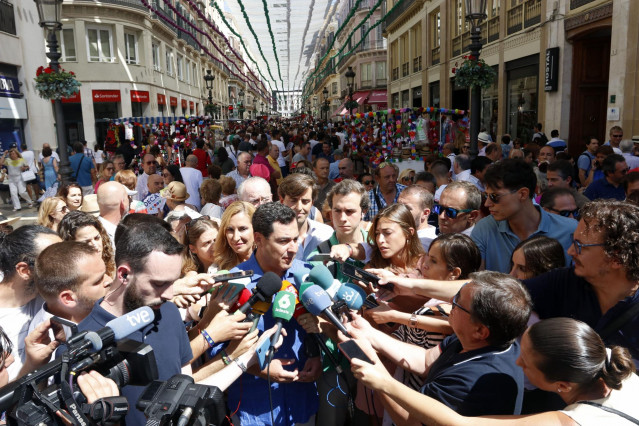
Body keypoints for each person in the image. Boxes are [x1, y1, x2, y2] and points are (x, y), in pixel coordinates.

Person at [351, 317, 639, 426]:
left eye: (526, 362)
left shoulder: (570, 422)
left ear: (562, 385)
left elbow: (461, 424)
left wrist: (383, 382)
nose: (516, 363)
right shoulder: (613, 365)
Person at [348, 271, 531, 421]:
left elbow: (412, 422)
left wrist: (374, 368)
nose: (451, 303)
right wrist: (369, 334)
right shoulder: (484, 340)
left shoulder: (471, 383)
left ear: (481, 331)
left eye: (458, 303)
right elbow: (427, 360)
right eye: (456, 296)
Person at [77, 222, 192, 425]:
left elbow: (185, 376)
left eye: (173, 282)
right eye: (158, 284)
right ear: (123, 274)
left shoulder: (169, 312)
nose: (169, 294)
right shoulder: (85, 342)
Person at [229, 202, 320, 425]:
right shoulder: (234, 283)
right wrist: (259, 368)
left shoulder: (305, 275)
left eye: (295, 239)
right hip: (254, 406)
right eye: (283, 241)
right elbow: (217, 350)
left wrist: (318, 356)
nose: (293, 248)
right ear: (258, 239)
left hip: (302, 400)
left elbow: (318, 331)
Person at [523, 200, 639, 366]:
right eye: (572, 241)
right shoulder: (564, 282)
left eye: (580, 246)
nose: (570, 251)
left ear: (617, 257)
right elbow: (506, 293)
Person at [471, 159, 576, 272]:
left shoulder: (570, 231)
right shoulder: (484, 229)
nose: (487, 204)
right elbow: (474, 281)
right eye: (486, 196)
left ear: (522, 194)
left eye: (494, 196)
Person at [0, 225, 61, 380]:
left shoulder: (49, 297)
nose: (67, 266)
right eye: (56, 261)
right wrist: (32, 366)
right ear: (25, 270)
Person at [31, 241, 111, 332]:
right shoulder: (53, 342)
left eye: (105, 273)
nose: (109, 281)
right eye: (98, 281)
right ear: (68, 298)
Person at [278, 173, 333, 261]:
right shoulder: (272, 237)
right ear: (282, 201)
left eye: (305, 201)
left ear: (312, 203)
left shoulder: (326, 234)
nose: (299, 207)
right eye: (293, 200)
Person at [58, 210, 116, 278]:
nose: (95, 245)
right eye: (86, 242)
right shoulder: (67, 277)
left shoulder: (112, 265)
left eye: (97, 238)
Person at [213, 201, 256, 271]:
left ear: (255, 229)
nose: (236, 238)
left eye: (242, 229)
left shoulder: (272, 262)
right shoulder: (218, 268)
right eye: (230, 230)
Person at [398, 185, 437, 251]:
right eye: (398, 206)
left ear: (425, 213)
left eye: (407, 208)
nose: (399, 212)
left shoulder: (428, 246)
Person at [96, 181, 130, 248]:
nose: (130, 200)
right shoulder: (97, 235)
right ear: (122, 203)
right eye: (127, 197)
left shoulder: (92, 230)